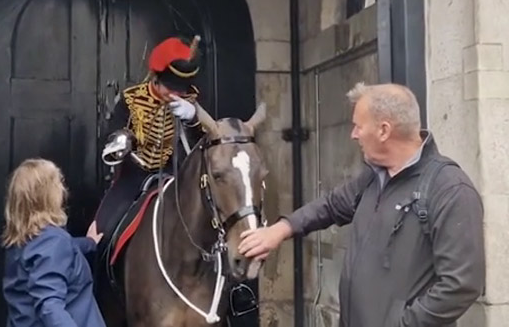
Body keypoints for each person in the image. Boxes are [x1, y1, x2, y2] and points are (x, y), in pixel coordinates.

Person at [238, 83, 485, 327]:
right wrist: (279, 230)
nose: (353, 134)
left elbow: (461, 285)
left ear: (384, 130)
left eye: (358, 126)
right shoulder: (374, 177)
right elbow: (331, 206)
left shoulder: (449, 190)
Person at [95, 35, 205, 242]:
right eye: (171, 87)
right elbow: (111, 136)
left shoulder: (193, 101)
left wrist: (193, 119)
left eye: (180, 89)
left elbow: (203, 147)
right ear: (156, 77)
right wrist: (125, 140)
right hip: (133, 176)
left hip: (175, 177)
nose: (176, 93)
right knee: (103, 229)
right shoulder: (131, 99)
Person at [1, 158, 105, 327]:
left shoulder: (20, 242)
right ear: (46, 196)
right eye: (58, 184)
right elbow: (49, 307)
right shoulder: (54, 242)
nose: (62, 189)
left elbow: (52, 255)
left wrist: (89, 243)